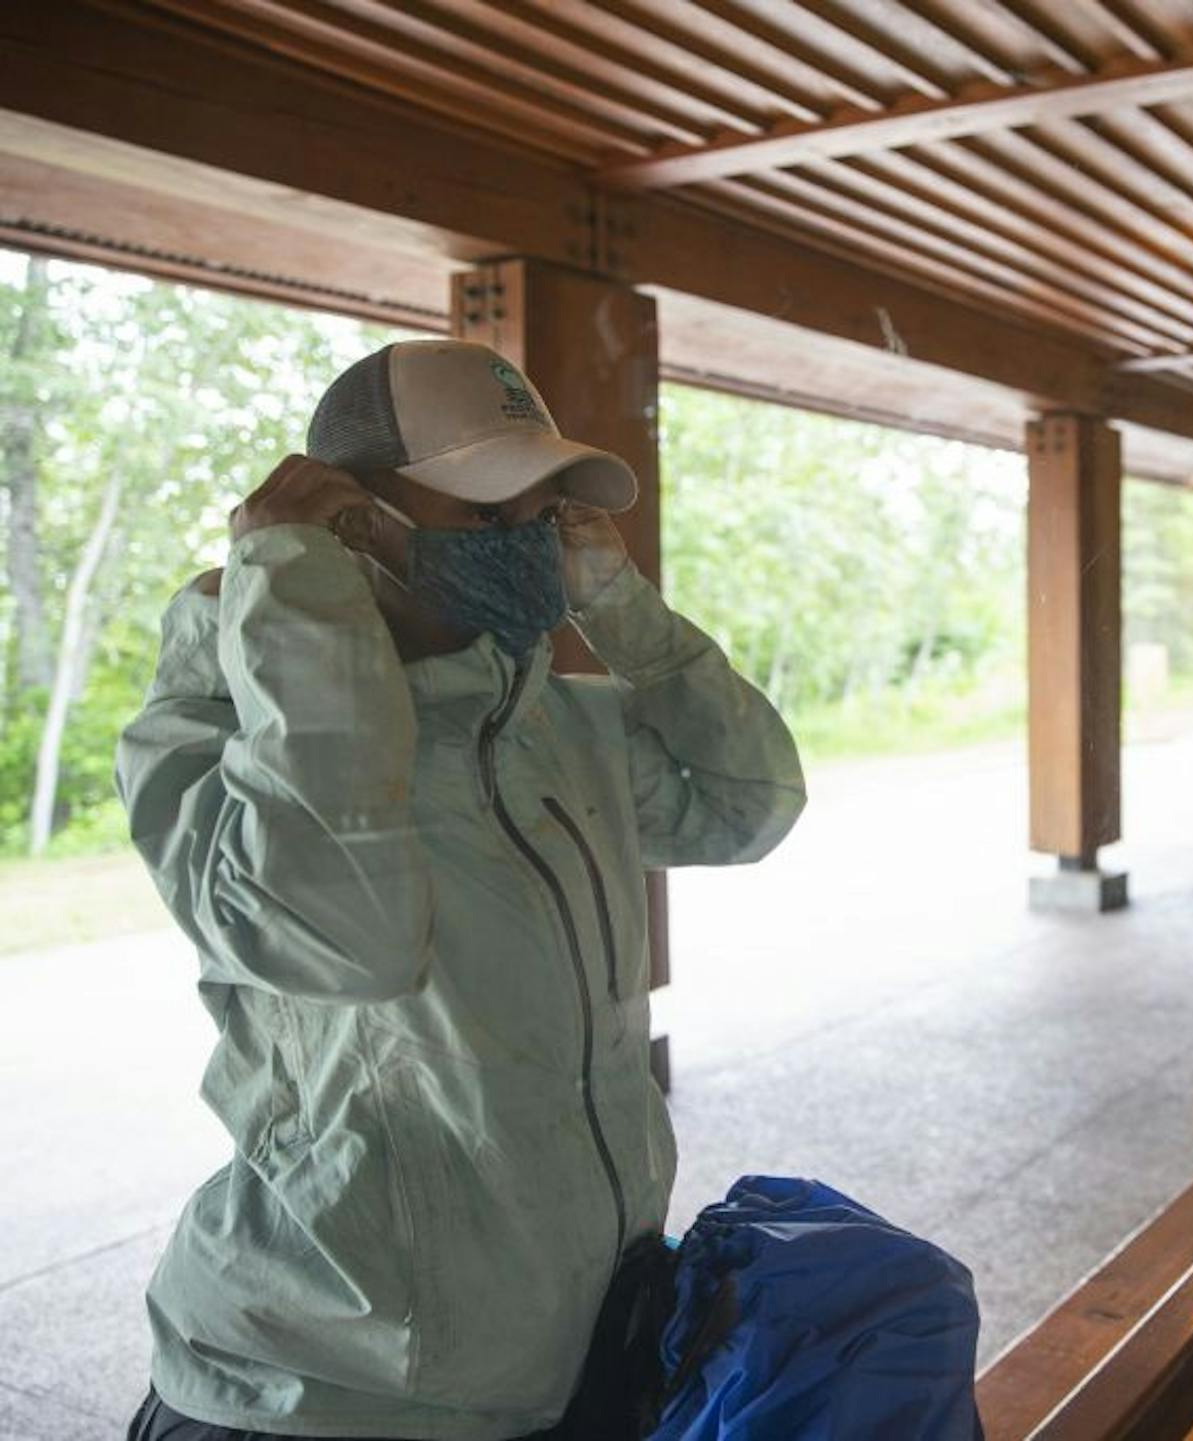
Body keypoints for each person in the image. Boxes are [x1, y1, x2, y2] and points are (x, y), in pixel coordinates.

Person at [115, 340, 807, 1440]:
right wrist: (291, 593)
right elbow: (345, 937)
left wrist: (618, 604)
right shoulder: (216, 739)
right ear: (354, 526)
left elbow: (748, 803)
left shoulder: (557, 724)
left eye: (545, 513)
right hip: (324, 1394)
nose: (528, 543)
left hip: (559, 1362)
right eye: (488, 514)